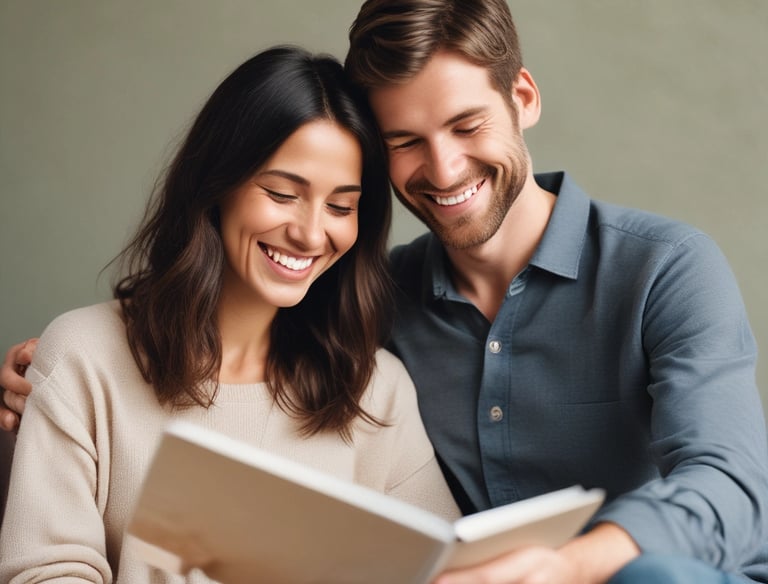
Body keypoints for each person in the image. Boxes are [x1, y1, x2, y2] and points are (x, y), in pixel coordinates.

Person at [3, 1, 767, 583]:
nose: (441, 169)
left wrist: (570, 566)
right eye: (405, 142)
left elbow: (733, 486)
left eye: (467, 124)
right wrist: (39, 389)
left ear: (523, 98)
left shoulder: (662, 270)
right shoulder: (371, 305)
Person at [0, 45, 459, 582]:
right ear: (218, 184)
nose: (312, 233)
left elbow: (446, 572)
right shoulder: (84, 355)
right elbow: (46, 572)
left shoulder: (376, 390)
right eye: (282, 193)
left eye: (341, 206)